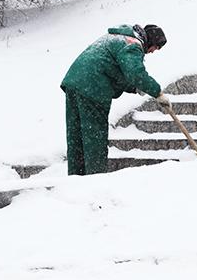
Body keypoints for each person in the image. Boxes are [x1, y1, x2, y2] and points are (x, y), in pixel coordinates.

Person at [60, 24, 170, 175]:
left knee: (76, 137)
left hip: (74, 83)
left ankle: (75, 179)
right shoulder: (132, 45)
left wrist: (136, 88)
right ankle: (95, 181)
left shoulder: (119, 38)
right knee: (94, 139)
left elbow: (112, 69)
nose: (152, 52)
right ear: (150, 40)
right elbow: (135, 74)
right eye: (155, 48)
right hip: (93, 88)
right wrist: (157, 92)